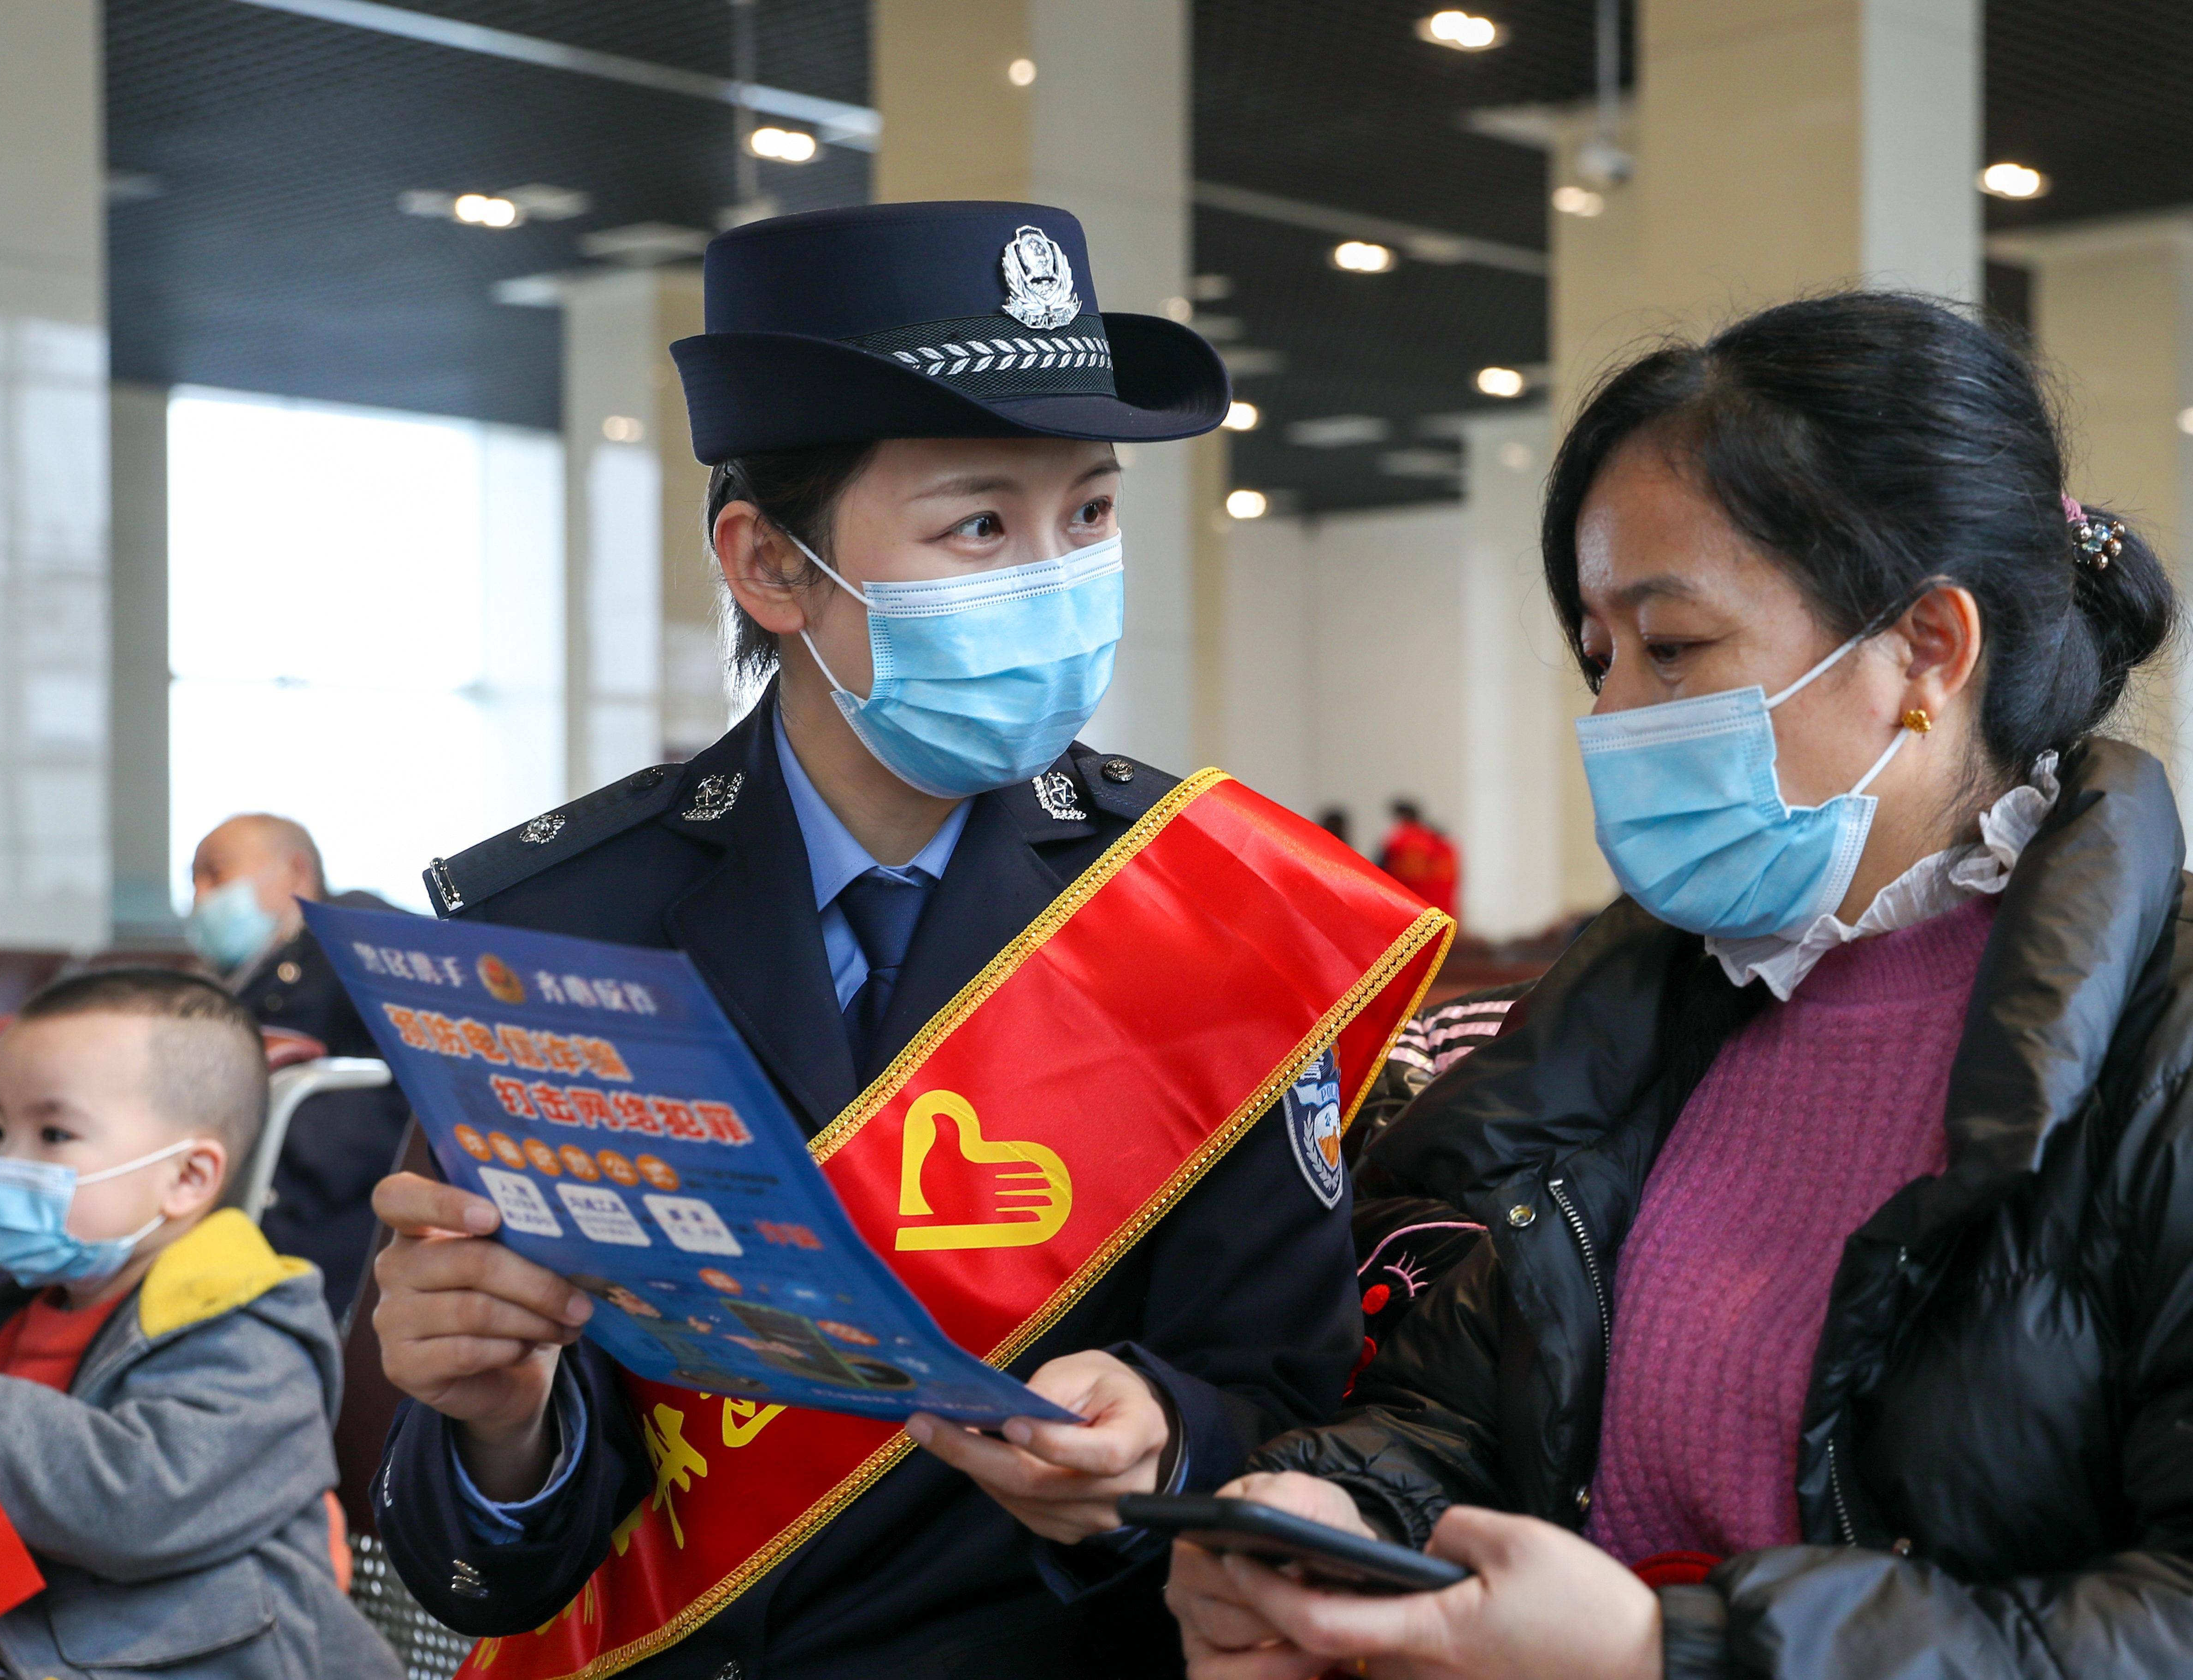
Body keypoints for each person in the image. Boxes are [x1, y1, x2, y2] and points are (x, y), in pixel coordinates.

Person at [1165, 293, 2193, 1679]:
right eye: (1597, 657)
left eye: (1672, 649)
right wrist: (1335, 1509)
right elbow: (1463, 1408)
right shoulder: (1629, 1014)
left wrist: (1671, 1655)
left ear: (1924, 652)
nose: (1609, 720)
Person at [367, 202, 1417, 1680]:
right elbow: (488, 1569)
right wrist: (496, 1419)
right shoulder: (553, 927)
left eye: (1092, 515)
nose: (1056, 578)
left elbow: (1295, 1398)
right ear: (769, 567)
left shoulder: (1201, 907)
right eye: (979, 523)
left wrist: (1162, 1435)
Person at [0, 969, 396, 1680]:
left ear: (187, 1177)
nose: (2, 1164)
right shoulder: (0, 1323)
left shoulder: (251, 1330)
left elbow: (135, 1506)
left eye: (53, 1132)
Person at [187, 812, 414, 1316]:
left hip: (319, 1215)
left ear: (295, 871)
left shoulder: (357, 931)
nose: (200, 898)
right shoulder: (228, 980)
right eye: (193, 881)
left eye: (216, 874)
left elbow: (412, 1088)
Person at [1378, 799, 1458, 920]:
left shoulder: (1398, 843)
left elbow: (1378, 877)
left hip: (1408, 916)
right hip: (1443, 917)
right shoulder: (1444, 845)